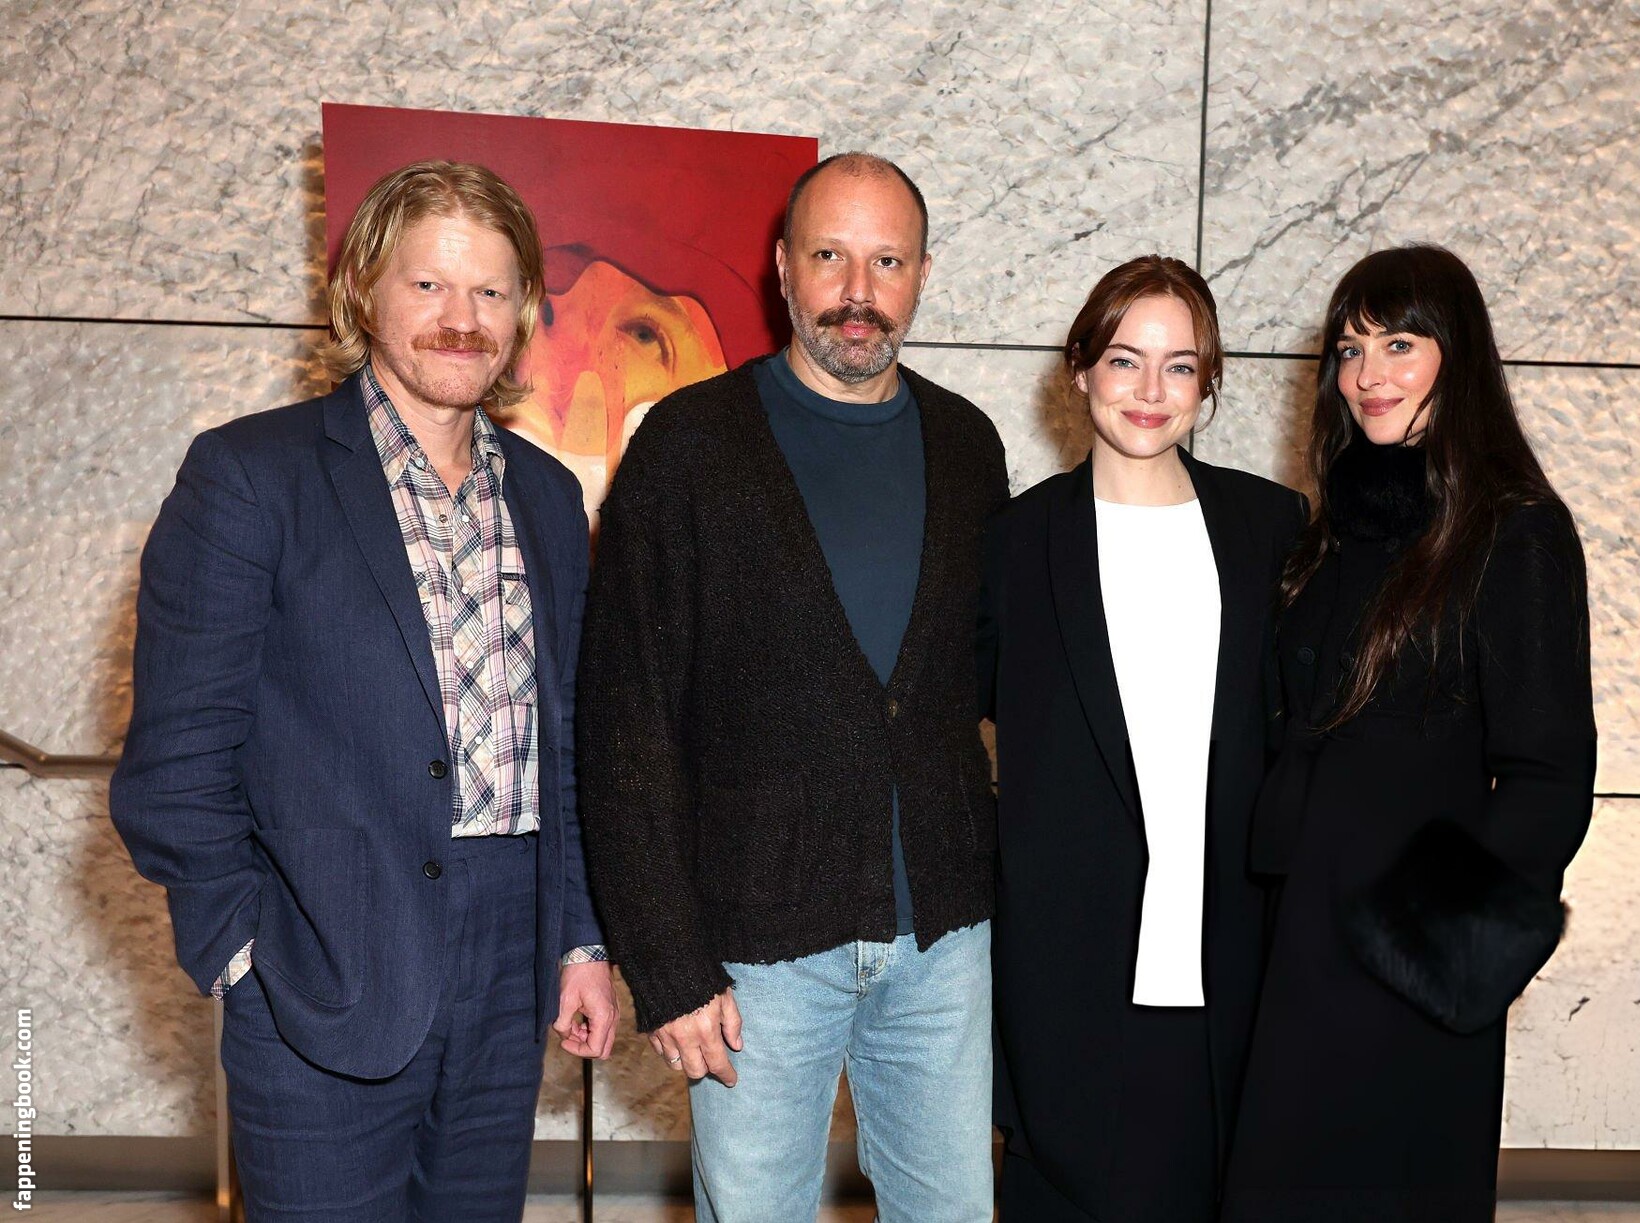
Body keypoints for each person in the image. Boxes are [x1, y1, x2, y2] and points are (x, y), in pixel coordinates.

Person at [109, 160, 617, 1222]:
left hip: (510, 964)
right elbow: (177, 761)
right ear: (363, 292)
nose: (461, 319)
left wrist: (579, 940)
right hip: (320, 962)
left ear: (524, 310)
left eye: (490, 290)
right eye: (428, 284)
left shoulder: (546, 495)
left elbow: (567, 743)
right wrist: (241, 953)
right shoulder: (252, 476)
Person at [577, 152, 1008, 1222]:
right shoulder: (688, 446)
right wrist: (667, 964)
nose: (859, 292)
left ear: (922, 274)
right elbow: (624, 725)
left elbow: (987, 680)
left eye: (887, 261)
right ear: (782, 268)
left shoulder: (969, 445)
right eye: (830, 256)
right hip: (754, 953)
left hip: (943, 940)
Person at [1221, 244, 1596, 1221]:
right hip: (1293, 932)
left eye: (1399, 343)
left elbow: (1551, 776)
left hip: (1408, 957)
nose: (1367, 373)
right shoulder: (1330, 531)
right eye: (1350, 349)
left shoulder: (1514, 530)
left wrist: (1426, 949)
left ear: (1456, 355)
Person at [978, 255, 1308, 1220]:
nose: (1151, 391)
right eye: (1125, 360)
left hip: (1229, 975)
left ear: (1209, 381)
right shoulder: (1014, 543)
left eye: (1180, 365)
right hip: (1066, 983)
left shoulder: (1272, 527)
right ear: (1081, 368)